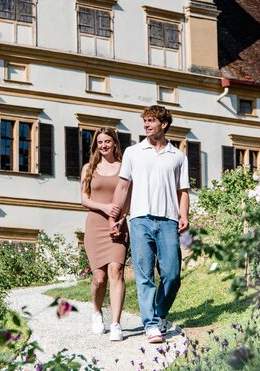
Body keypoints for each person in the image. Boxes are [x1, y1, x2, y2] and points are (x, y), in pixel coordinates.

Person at [109, 105, 189, 344]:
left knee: (172, 274)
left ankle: (160, 313)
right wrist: (115, 217)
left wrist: (184, 215)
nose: (146, 125)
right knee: (145, 275)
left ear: (163, 124)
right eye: (144, 121)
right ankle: (151, 325)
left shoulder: (178, 156)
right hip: (140, 219)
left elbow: (182, 191)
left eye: (151, 121)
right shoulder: (134, 152)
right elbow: (123, 186)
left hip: (168, 220)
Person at [79, 127, 128, 341]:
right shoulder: (89, 168)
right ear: (96, 145)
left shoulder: (125, 168)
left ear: (115, 143)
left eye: (108, 141)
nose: (104, 145)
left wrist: (121, 218)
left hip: (118, 225)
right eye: (100, 142)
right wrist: (105, 207)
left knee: (116, 271)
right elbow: (84, 199)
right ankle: (97, 312)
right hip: (96, 224)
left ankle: (116, 323)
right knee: (99, 278)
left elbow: (128, 197)